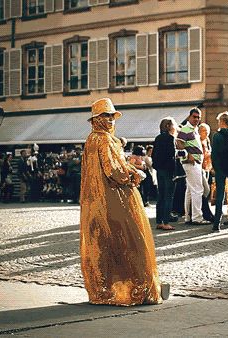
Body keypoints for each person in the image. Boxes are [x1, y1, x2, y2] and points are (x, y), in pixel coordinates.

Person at [80, 98, 163, 306]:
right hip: (115, 196)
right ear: (96, 119)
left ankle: (104, 290)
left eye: (111, 116)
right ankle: (135, 288)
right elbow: (113, 170)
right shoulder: (107, 140)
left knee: (102, 243)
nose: (109, 120)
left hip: (95, 200)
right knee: (130, 239)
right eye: (105, 116)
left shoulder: (91, 139)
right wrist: (135, 175)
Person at [176, 108, 211, 225]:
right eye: (194, 117)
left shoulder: (194, 129)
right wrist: (188, 155)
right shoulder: (186, 129)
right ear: (189, 117)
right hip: (192, 163)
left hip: (194, 163)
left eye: (198, 117)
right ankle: (197, 217)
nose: (196, 119)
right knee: (198, 190)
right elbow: (178, 143)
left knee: (190, 191)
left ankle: (188, 217)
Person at [152, 117, 178, 231]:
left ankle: (159, 221)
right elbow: (171, 156)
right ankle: (166, 222)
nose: (175, 127)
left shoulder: (158, 138)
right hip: (168, 170)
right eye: (173, 125)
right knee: (168, 196)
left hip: (159, 170)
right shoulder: (170, 138)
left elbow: (154, 155)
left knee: (161, 196)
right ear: (168, 126)